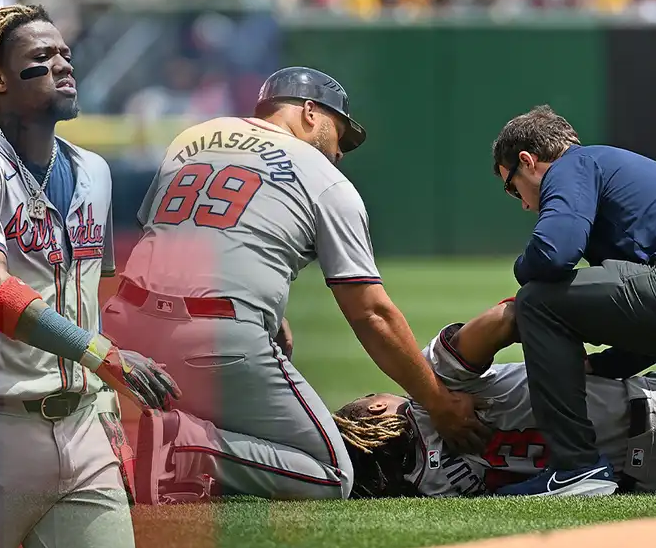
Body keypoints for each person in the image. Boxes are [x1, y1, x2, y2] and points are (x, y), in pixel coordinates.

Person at [99, 66, 490, 505]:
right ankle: (189, 446)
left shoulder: (191, 139)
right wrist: (436, 400)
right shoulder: (326, 180)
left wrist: (268, 311)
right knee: (331, 474)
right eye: (340, 133)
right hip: (214, 343)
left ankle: (136, 443)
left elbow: (174, 232)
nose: (340, 151)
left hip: (123, 331)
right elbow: (371, 313)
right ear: (309, 112)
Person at [0, 4, 180, 548]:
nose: (63, 66)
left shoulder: (95, 172)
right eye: (41, 58)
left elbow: (95, 298)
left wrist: (107, 397)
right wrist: (101, 357)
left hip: (83, 430)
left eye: (65, 55)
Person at [490, 105, 656, 497]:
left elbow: (554, 253)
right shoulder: (609, 171)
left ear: (528, 161)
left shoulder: (574, 165)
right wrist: (601, 365)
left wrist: (522, 270)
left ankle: (576, 467)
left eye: (511, 185)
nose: (522, 203)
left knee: (537, 300)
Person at [332, 298, 656, 499]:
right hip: (654, 407)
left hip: (649, 480)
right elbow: (509, 317)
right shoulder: (432, 388)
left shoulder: (427, 487)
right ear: (377, 407)